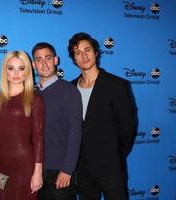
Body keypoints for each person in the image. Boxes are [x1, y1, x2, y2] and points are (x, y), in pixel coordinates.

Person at [68, 32, 136, 200]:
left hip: (111, 168)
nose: (84, 55)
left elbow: (128, 127)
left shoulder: (116, 85)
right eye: (78, 52)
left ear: (96, 53)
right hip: (82, 170)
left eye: (88, 50)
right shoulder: (69, 89)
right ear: (73, 59)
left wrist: (114, 156)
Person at [0, 51, 44, 200]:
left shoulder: (35, 100)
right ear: (5, 70)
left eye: (21, 68)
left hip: (25, 167)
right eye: (11, 68)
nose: (16, 73)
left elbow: (38, 138)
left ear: (28, 71)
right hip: (0, 166)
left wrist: (37, 172)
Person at [31, 42, 82, 200]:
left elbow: (75, 132)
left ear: (56, 60)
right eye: (39, 60)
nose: (44, 63)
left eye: (48, 58)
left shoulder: (69, 91)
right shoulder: (30, 93)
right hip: (33, 171)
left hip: (59, 172)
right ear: (33, 64)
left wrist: (67, 170)